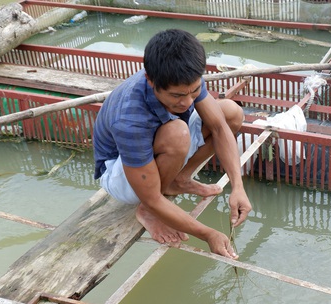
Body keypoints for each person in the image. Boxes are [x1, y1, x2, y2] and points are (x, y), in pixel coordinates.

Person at [93, 29, 251, 259]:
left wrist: (238, 187)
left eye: (194, 91)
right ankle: (146, 213)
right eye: (177, 96)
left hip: (160, 142)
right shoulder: (129, 119)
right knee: (178, 133)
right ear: (151, 80)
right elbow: (151, 196)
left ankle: (179, 179)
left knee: (231, 112)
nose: (188, 102)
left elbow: (219, 128)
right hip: (119, 172)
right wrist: (208, 234)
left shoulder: (184, 77)